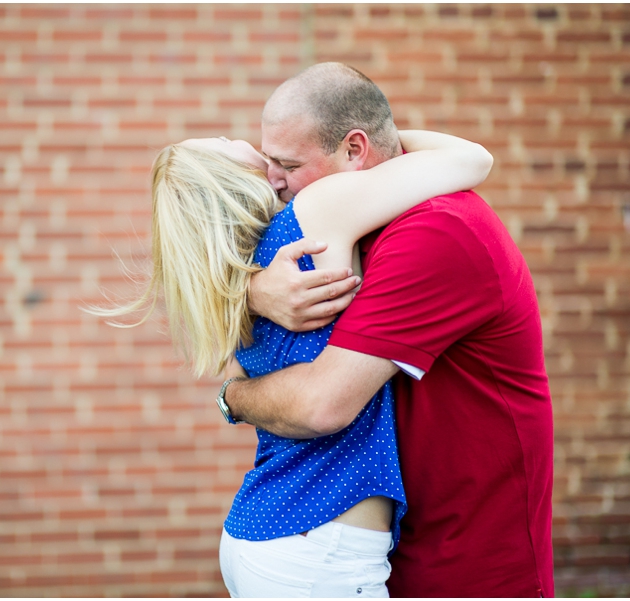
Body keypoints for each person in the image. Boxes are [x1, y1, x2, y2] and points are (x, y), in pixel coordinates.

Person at [88, 122, 493, 596]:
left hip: (269, 537)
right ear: (227, 175)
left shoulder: (237, 282)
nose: (231, 136)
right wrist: (378, 129)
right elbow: (471, 160)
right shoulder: (316, 212)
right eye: (220, 143)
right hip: (317, 548)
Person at [219, 63, 555, 597]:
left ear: (355, 151)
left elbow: (321, 403)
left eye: (286, 164)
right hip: (397, 556)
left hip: (468, 567)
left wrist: (233, 397)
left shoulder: (435, 231)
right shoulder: (355, 228)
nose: (273, 181)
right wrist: (253, 291)